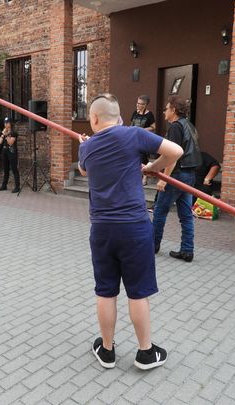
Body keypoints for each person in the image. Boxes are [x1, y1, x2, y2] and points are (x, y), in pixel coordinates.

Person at [78, 93, 183, 370]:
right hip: (134, 228)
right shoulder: (134, 134)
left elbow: (84, 170)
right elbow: (175, 151)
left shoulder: (87, 148)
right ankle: (146, 353)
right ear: (120, 117)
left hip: (102, 229)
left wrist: (85, 145)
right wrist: (152, 168)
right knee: (137, 292)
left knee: (105, 291)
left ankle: (107, 350)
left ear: (94, 118)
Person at [153, 97, 201, 263]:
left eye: (166, 109)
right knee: (186, 215)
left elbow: (171, 156)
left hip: (176, 175)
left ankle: (152, 245)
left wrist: (164, 179)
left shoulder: (175, 127)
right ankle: (187, 250)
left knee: (160, 211)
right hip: (189, 175)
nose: (164, 112)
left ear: (173, 110)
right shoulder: (189, 126)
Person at [130, 95, 156, 185]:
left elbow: (153, 127)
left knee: (143, 157)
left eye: (141, 104)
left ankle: (145, 177)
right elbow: (132, 124)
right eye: (137, 103)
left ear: (145, 105)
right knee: (134, 156)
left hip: (144, 138)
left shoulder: (149, 114)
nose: (138, 105)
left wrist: (142, 130)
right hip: (134, 138)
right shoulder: (135, 113)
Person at [0, 117, 20, 193]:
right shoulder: (4, 132)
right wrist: (2, 134)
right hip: (4, 151)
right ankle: (4, 185)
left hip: (12, 151)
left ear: (11, 123)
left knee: (14, 169)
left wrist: (6, 135)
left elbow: (10, 143)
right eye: (5, 123)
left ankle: (17, 187)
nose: (6, 124)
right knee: (5, 169)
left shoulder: (13, 133)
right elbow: (0, 142)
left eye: (7, 123)